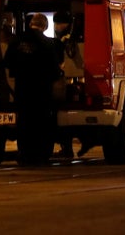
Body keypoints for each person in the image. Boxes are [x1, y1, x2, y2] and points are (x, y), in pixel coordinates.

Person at [4, 12, 62, 164]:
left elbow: (7, 62)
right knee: (41, 124)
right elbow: (55, 71)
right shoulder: (48, 44)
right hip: (42, 92)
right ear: (45, 26)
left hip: (22, 90)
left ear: (31, 24)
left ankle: (24, 154)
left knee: (24, 123)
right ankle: (40, 155)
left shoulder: (16, 41)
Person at [51, 11, 75, 158]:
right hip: (64, 79)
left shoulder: (67, 38)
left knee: (62, 115)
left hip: (65, 80)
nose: (57, 26)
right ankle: (66, 147)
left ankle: (66, 147)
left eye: (59, 23)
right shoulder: (61, 37)